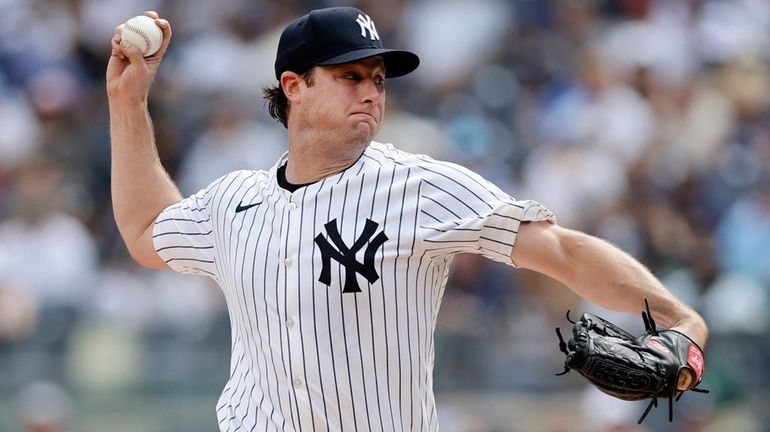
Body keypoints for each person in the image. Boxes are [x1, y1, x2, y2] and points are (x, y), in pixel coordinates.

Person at [107, 7, 708, 431]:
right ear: (294, 85)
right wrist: (127, 102)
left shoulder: (420, 186)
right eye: (349, 77)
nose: (371, 91)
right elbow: (144, 231)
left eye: (377, 79)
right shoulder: (233, 202)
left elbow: (562, 251)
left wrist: (679, 318)